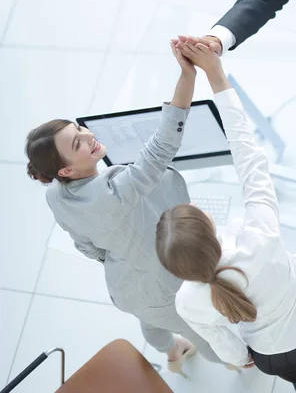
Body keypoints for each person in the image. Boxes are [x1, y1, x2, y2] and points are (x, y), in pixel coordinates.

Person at [156, 42, 296, 393]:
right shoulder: (258, 235)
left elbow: (227, 347)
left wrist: (244, 358)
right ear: (210, 228)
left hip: (271, 356)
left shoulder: (186, 301)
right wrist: (215, 74)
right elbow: (249, 157)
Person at [25, 43, 220, 374]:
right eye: (77, 144)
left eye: (79, 129)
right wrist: (187, 76)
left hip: (124, 287)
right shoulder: (114, 194)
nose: (88, 136)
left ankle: (170, 351)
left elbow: (86, 246)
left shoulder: (55, 196)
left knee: (151, 318)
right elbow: (162, 146)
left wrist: (122, 248)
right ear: (66, 170)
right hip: (163, 288)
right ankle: (232, 359)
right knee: (201, 330)